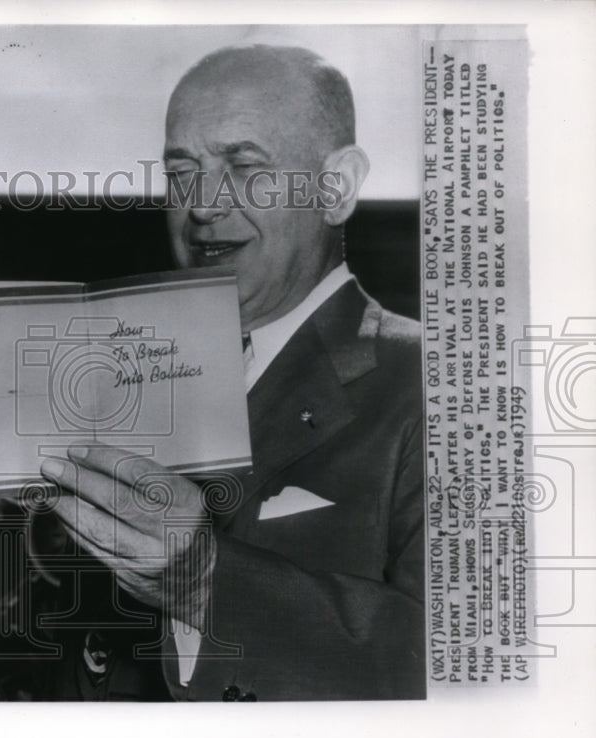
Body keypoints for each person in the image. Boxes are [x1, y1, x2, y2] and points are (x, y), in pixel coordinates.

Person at [40, 44, 425, 700]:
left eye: (243, 166)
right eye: (181, 171)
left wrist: (205, 583)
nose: (203, 204)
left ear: (336, 189)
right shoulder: (132, 372)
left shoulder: (437, 385)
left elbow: (466, 675)